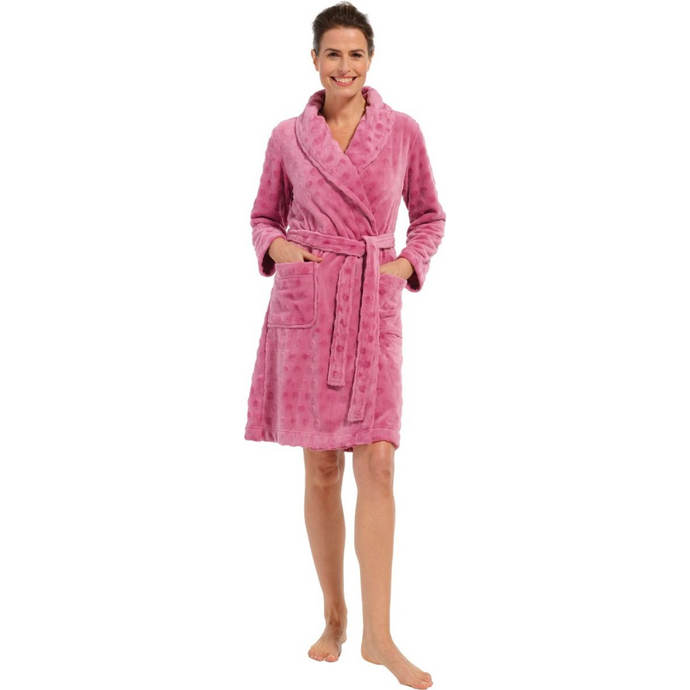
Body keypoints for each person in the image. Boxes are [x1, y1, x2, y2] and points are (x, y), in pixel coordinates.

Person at [244, 3, 445, 688]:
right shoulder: (287, 137)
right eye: (332, 53)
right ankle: (334, 616)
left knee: (380, 463)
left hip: (371, 300)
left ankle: (379, 637)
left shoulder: (403, 131)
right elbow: (263, 214)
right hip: (309, 307)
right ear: (314, 61)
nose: (345, 66)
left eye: (356, 54)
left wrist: (405, 263)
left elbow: (430, 215)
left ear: (370, 60)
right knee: (323, 469)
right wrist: (278, 249)